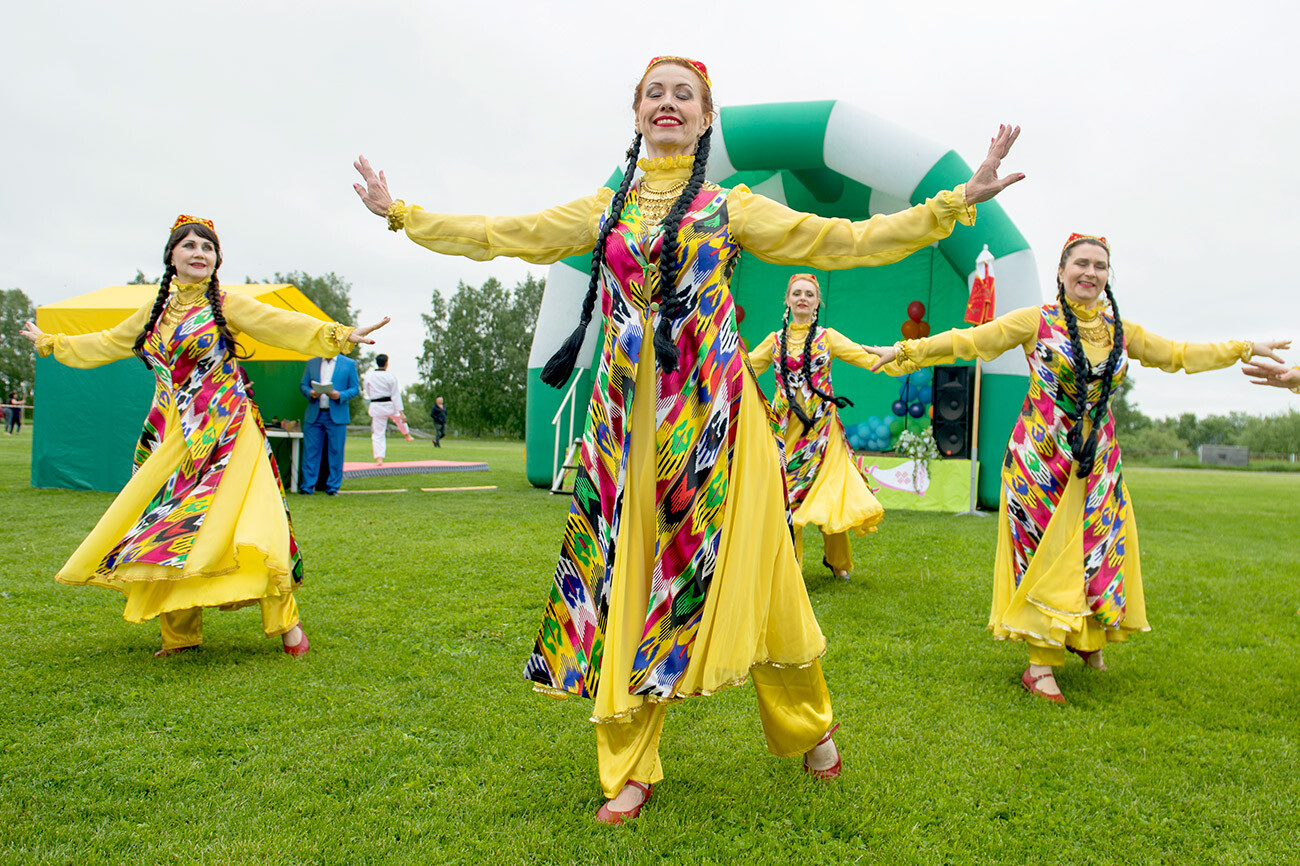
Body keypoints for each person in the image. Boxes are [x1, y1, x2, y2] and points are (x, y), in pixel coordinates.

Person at [353, 56, 1022, 822]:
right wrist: (401, 213)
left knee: (764, 574)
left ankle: (810, 726)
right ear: (636, 112)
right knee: (630, 576)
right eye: (655, 93)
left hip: (716, 420)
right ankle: (630, 766)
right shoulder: (606, 210)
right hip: (629, 428)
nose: (668, 104)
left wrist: (954, 203)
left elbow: (843, 240)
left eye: (685, 95)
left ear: (706, 118)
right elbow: (506, 233)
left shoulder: (729, 208)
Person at [865, 233, 1290, 704]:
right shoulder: (1036, 321)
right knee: (1042, 554)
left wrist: (1246, 347)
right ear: (1061, 271)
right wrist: (904, 353)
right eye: (1081, 264)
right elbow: (969, 342)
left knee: (1097, 547)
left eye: (1100, 266)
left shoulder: (1119, 330)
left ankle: (1085, 636)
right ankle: (1039, 664)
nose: (1091, 273)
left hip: (1098, 460)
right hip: (1040, 459)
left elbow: (1179, 354)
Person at [19, 215, 387, 657]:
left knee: (251, 525)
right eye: (189, 246)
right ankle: (179, 635)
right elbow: (107, 342)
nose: (199, 253)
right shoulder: (153, 313)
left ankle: (287, 625)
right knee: (168, 526)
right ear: (171, 256)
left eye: (207, 248)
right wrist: (51, 342)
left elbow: (283, 325)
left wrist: (341, 335)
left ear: (216, 259)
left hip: (228, 427)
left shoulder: (227, 304)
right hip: (174, 435)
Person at [748, 274, 884, 581]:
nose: (802, 299)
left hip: (823, 432)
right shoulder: (774, 341)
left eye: (809, 294)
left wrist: (902, 357)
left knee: (830, 494)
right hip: (786, 432)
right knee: (787, 497)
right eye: (796, 293)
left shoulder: (828, 338)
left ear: (817, 302)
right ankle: (789, 566)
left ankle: (839, 563)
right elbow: (745, 369)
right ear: (787, 300)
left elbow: (864, 357)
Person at [299, 351, 359, 494]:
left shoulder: (349, 364)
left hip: (337, 415)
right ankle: (307, 486)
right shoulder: (312, 362)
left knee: (336, 452)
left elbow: (355, 388)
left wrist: (340, 395)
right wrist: (311, 393)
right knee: (310, 451)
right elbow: (303, 385)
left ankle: (333, 487)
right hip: (315, 414)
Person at [363, 353, 412, 465]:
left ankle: (379, 458)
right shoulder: (390, 377)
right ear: (386, 363)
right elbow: (395, 395)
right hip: (389, 404)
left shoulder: (369, 376)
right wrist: (401, 412)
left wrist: (373, 397)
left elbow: (367, 389)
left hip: (376, 405)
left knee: (378, 433)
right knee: (399, 419)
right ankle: (407, 434)